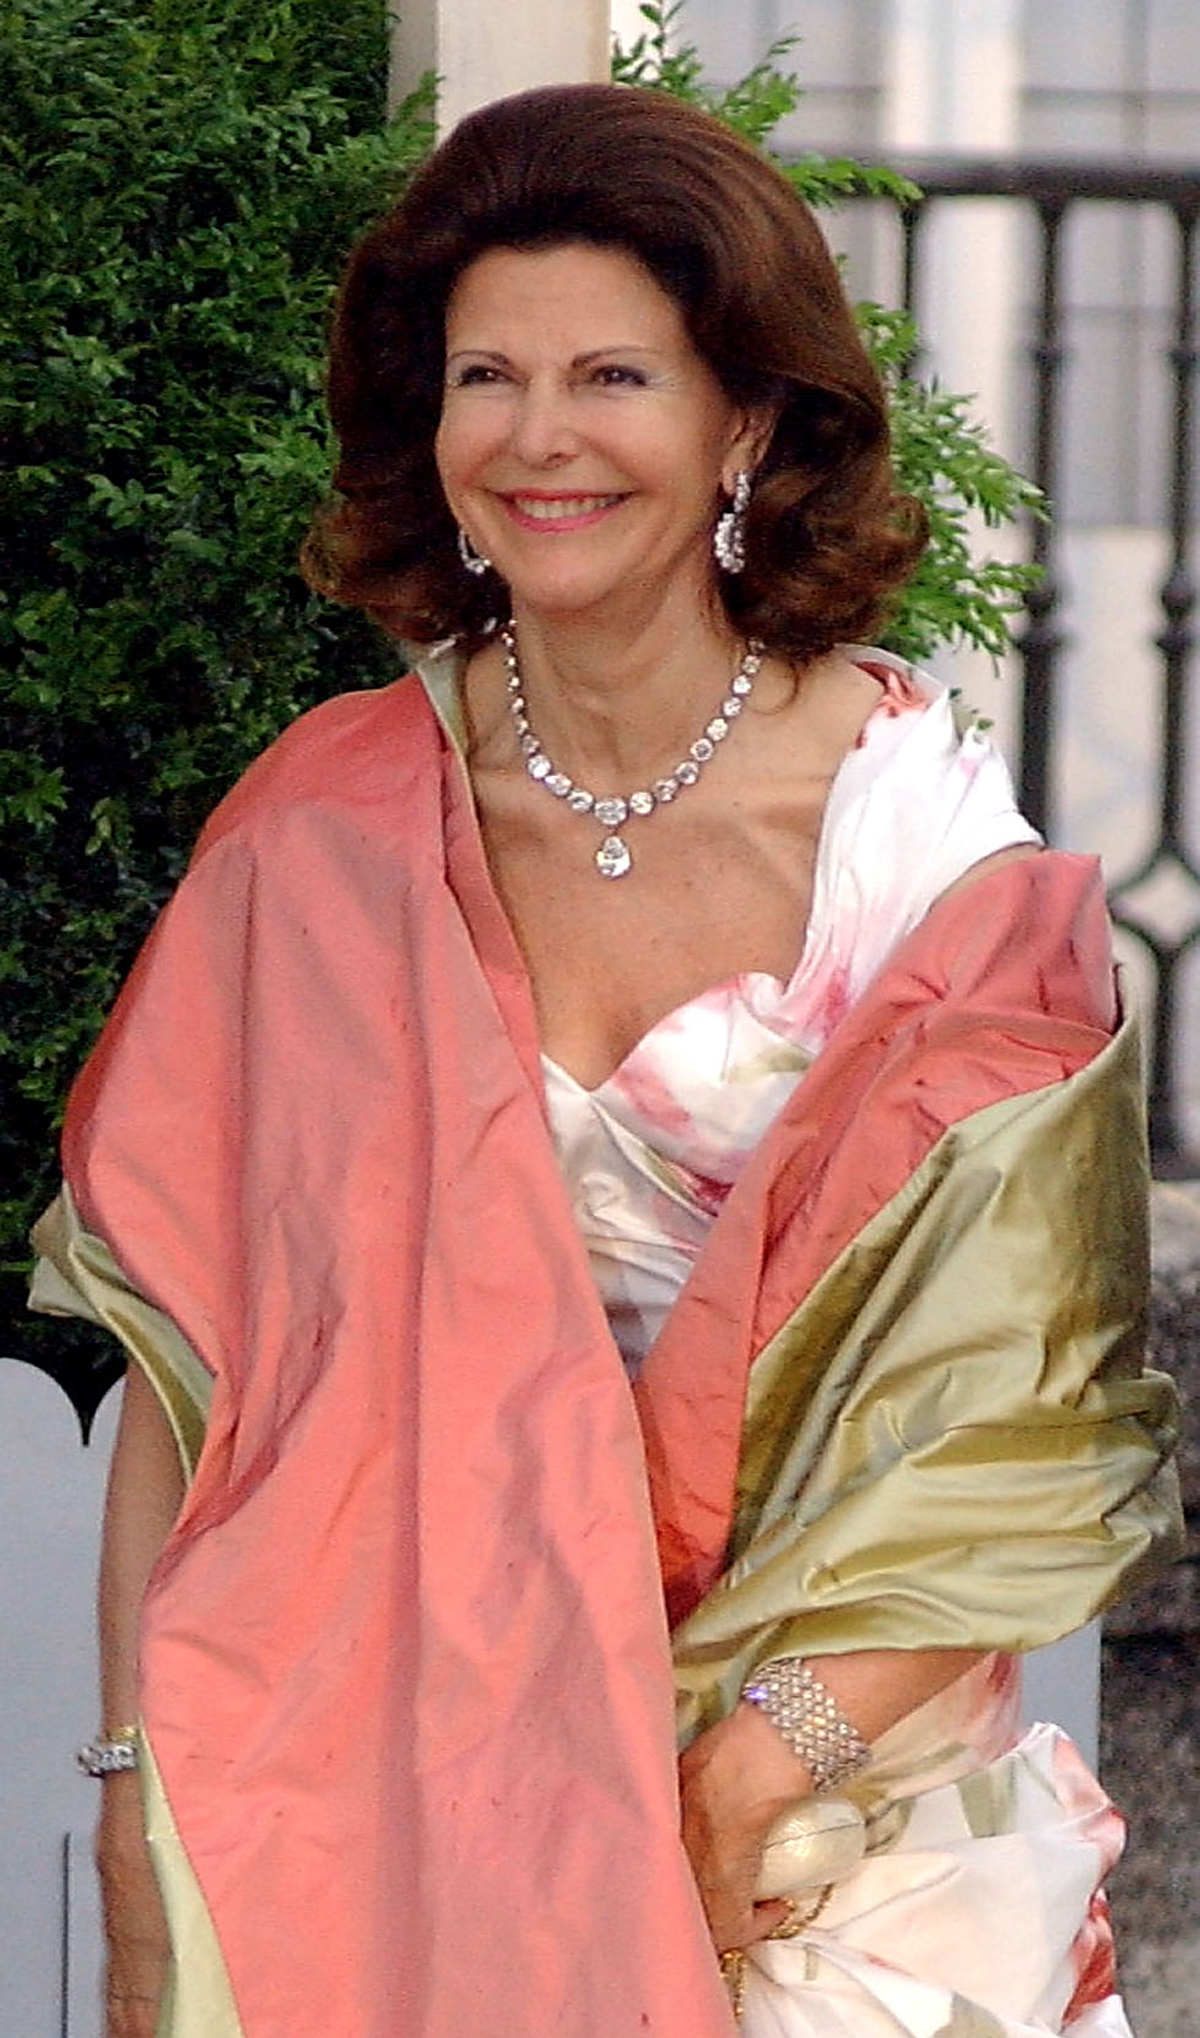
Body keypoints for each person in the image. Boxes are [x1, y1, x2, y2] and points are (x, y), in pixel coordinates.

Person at [32, 82, 1182, 2038]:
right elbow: (188, 1396)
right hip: (373, 1835)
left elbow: (1016, 1433)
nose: (538, 435)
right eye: (486, 373)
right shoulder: (323, 838)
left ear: (748, 418)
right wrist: (146, 1825)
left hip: (832, 1854)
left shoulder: (919, 861)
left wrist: (749, 1764)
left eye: (611, 374)